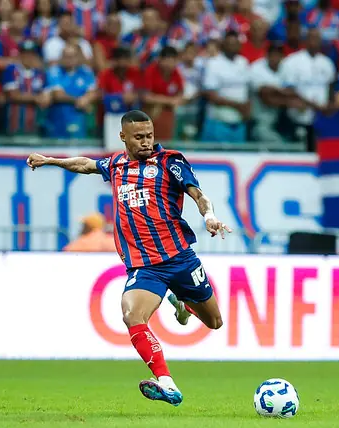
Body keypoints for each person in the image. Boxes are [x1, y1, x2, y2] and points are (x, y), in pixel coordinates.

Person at [26, 110, 230, 406]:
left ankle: (182, 304)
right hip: (145, 267)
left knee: (214, 321)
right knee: (132, 315)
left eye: (149, 136)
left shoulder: (170, 162)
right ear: (123, 137)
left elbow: (198, 194)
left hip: (180, 259)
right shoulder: (116, 164)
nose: (146, 142)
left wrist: (209, 216)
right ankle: (167, 383)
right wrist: (50, 160)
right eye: (139, 137)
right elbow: (85, 164)